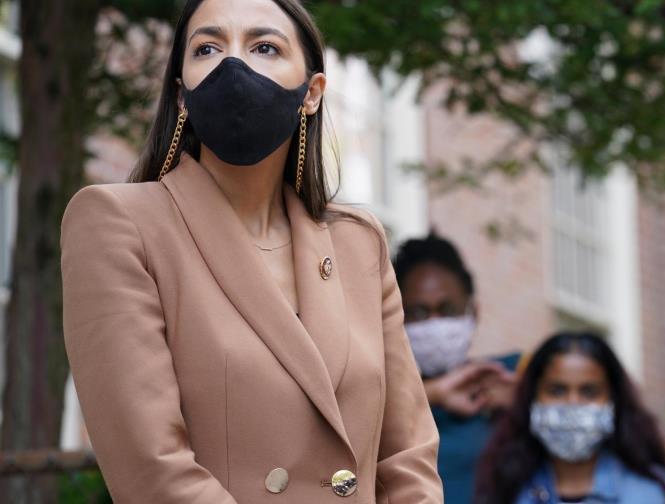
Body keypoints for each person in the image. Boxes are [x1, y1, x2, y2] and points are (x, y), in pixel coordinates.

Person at [60, 0, 441, 502]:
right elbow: (154, 472)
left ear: (312, 93)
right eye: (207, 48)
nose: (231, 66)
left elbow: (408, 458)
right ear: (183, 94)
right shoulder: (118, 223)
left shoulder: (358, 241)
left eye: (264, 47)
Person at [474, 331, 665, 504]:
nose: (572, 403)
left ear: (613, 401)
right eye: (557, 391)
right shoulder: (506, 488)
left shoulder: (651, 493)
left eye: (589, 392)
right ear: (532, 398)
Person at [393, 232, 519, 504]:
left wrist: (528, 398)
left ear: (474, 311)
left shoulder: (507, 375)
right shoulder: (380, 396)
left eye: (448, 309)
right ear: (396, 318)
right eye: (419, 313)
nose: (436, 323)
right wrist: (432, 394)